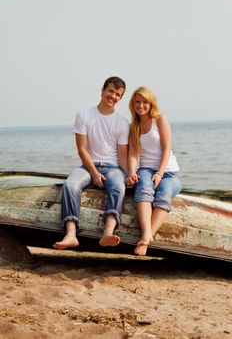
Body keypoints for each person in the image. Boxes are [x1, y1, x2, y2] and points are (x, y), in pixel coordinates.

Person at [53, 76, 129, 250]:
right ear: (102, 91)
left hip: (113, 167)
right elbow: (82, 150)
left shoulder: (122, 123)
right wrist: (94, 173)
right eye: (111, 91)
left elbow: (123, 156)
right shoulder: (84, 115)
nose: (113, 96)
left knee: (118, 186)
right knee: (70, 185)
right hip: (88, 166)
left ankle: (108, 233)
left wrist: (131, 174)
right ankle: (71, 233)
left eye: (118, 94)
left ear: (120, 98)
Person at [125, 86, 182, 256]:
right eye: (137, 102)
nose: (141, 105)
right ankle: (147, 234)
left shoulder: (160, 120)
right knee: (143, 188)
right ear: (132, 104)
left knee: (163, 195)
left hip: (169, 171)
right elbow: (133, 154)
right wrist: (131, 172)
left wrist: (159, 173)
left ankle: (146, 238)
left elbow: (166, 149)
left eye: (144, 102)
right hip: (145, 170)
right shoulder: (133, 125)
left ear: (151, 103)